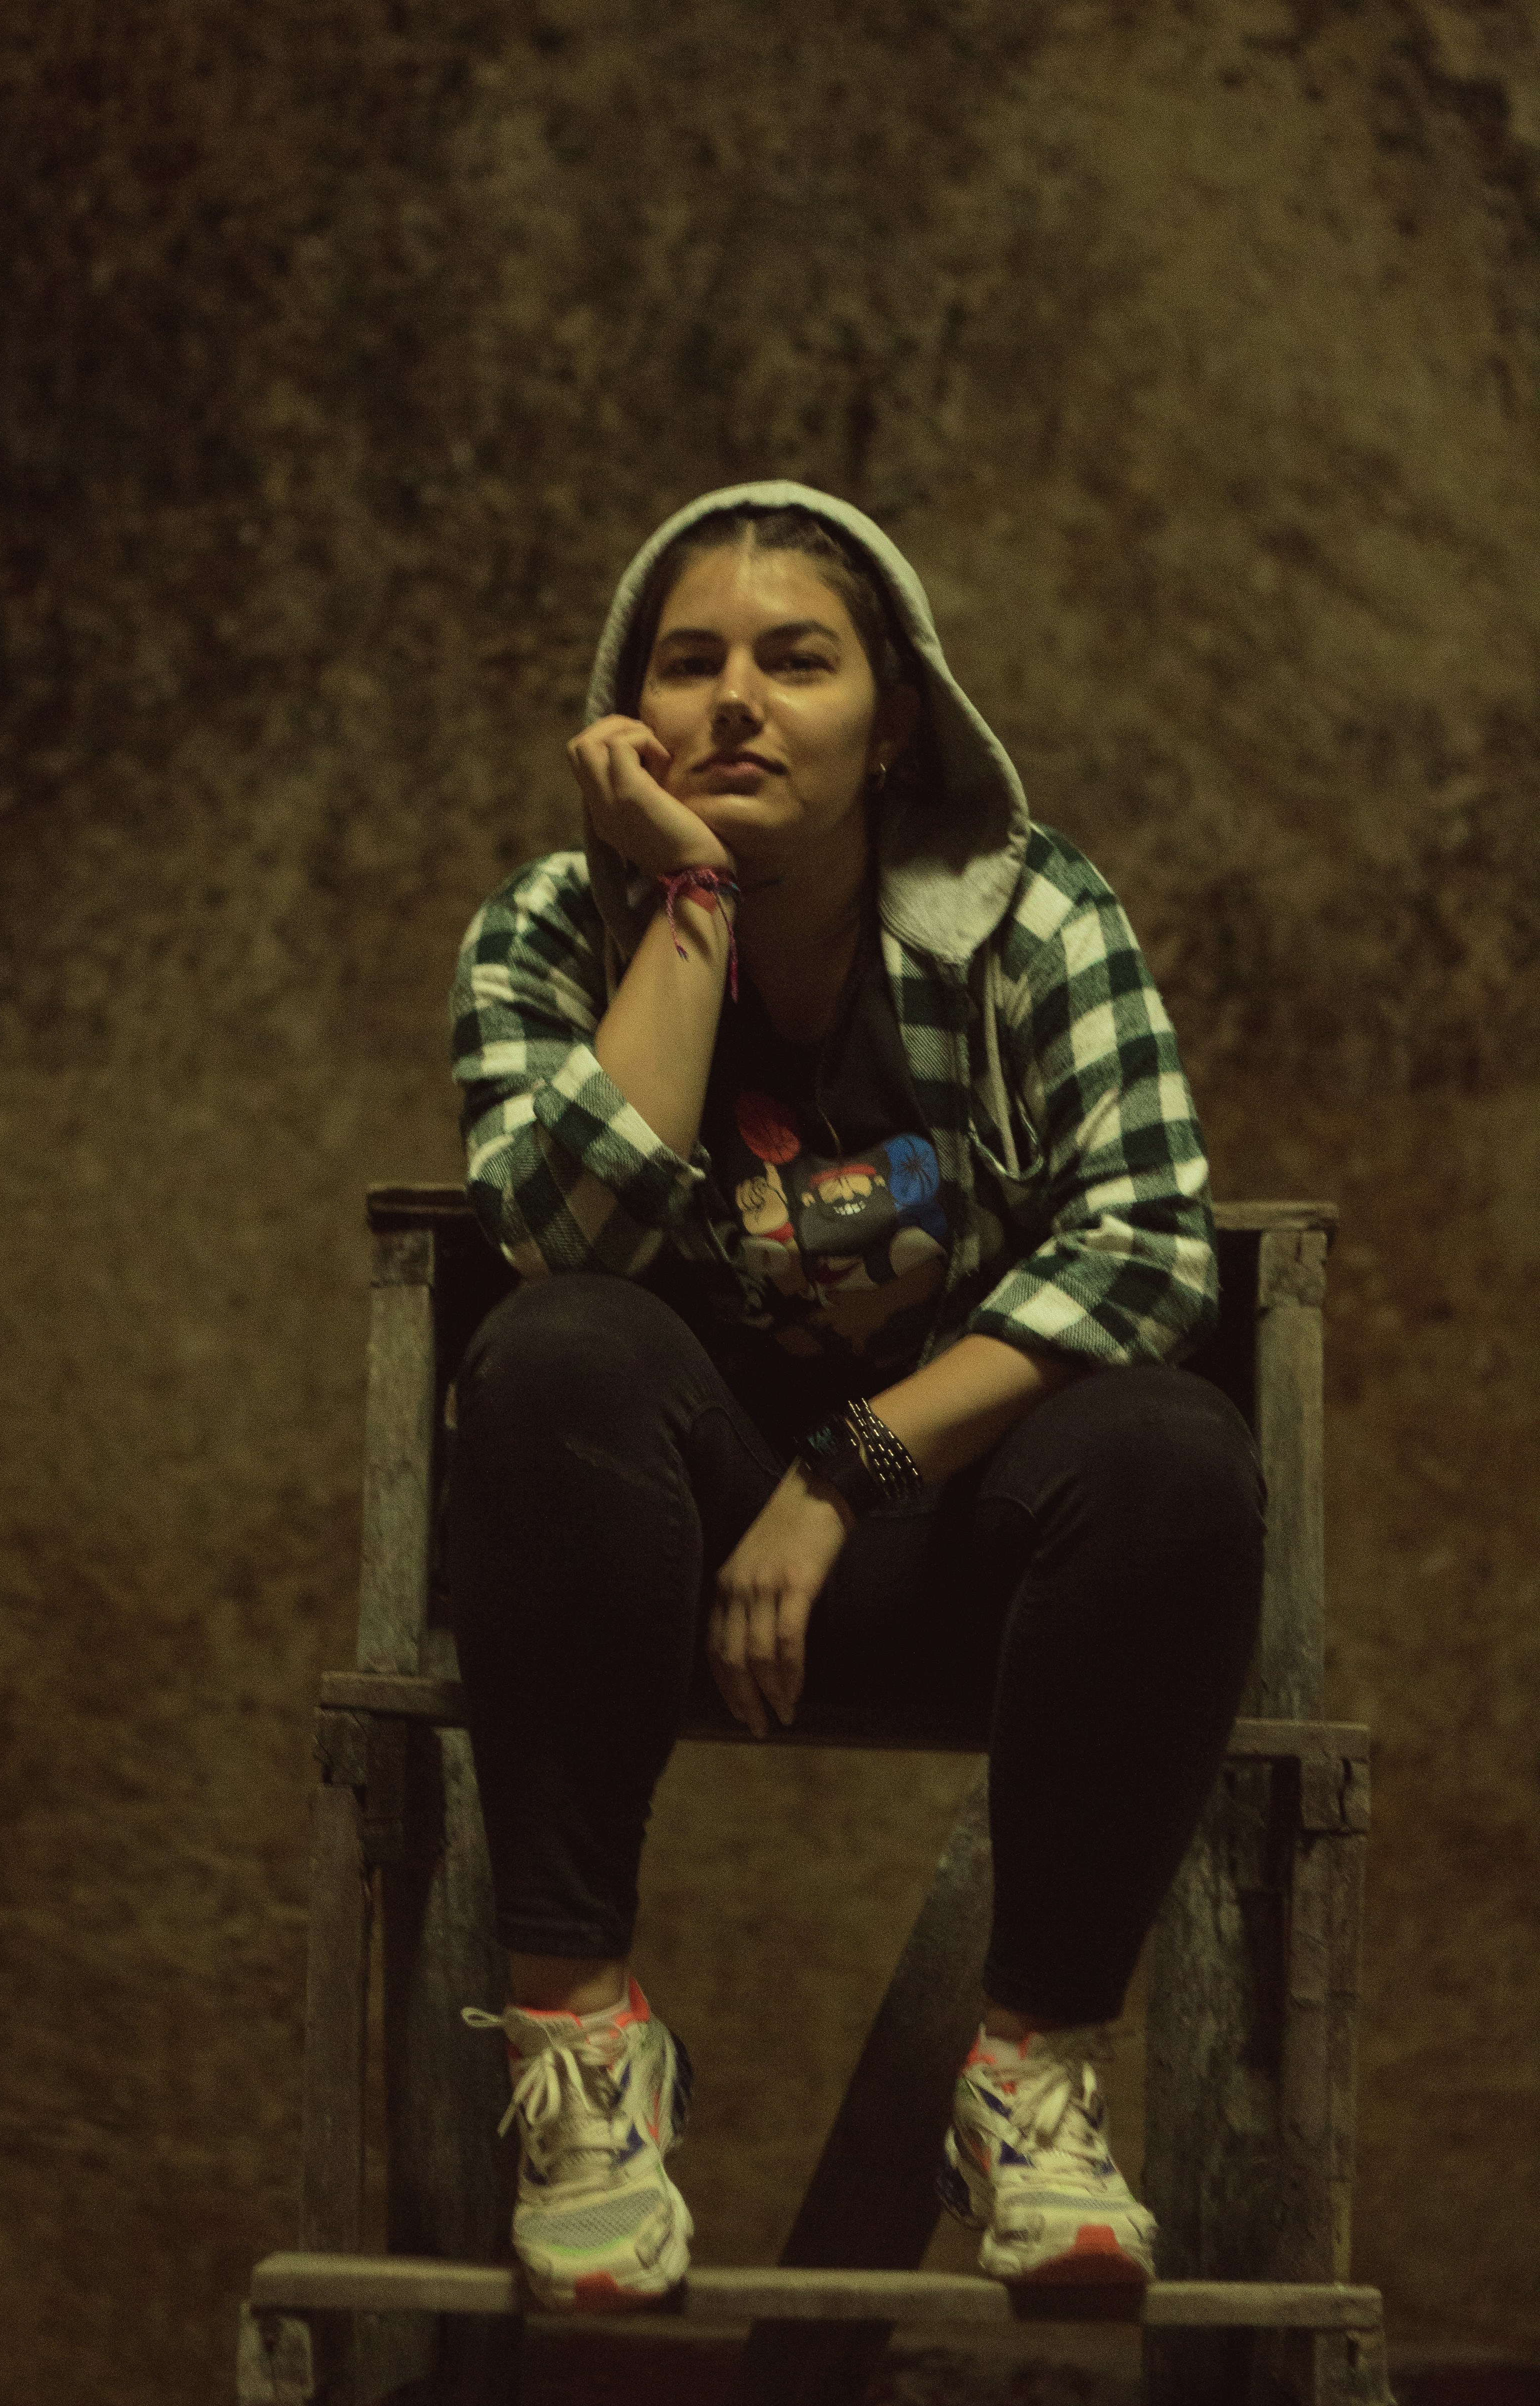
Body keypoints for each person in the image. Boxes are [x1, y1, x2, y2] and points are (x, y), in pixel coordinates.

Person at [447, 481, 1264, 2312]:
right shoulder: (543, 936)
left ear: (893, 718)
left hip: (947, 1545)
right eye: (690, 662)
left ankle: (1032, 2072)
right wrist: (694, 899)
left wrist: (844, 1471)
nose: (736, 700)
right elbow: (557, 1226)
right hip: (638, 1560)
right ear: (626, 715)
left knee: (1172, 1452)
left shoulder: (1031, 920)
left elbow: (1151, 1251)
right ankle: (580, 2053)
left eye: (796, 661)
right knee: (561, 1348)